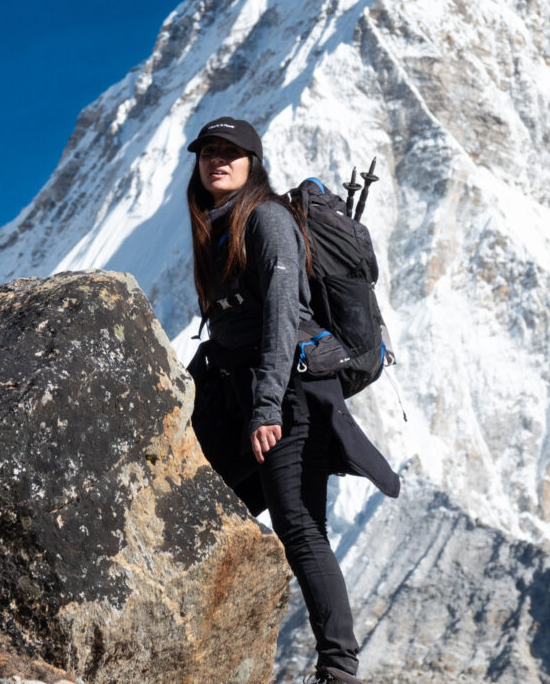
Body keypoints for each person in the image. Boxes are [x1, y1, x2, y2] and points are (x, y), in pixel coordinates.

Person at [184, 116, 399, 684]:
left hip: (289, 393)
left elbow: (283, 313)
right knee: (216, 511)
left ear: (254, 163)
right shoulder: (217, 228)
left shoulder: (267, 220)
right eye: (208, 152)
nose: (217, 160)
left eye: (232, 152)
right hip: (249, 393)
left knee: (300, 526)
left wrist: (266, 407)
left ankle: (339, 670)